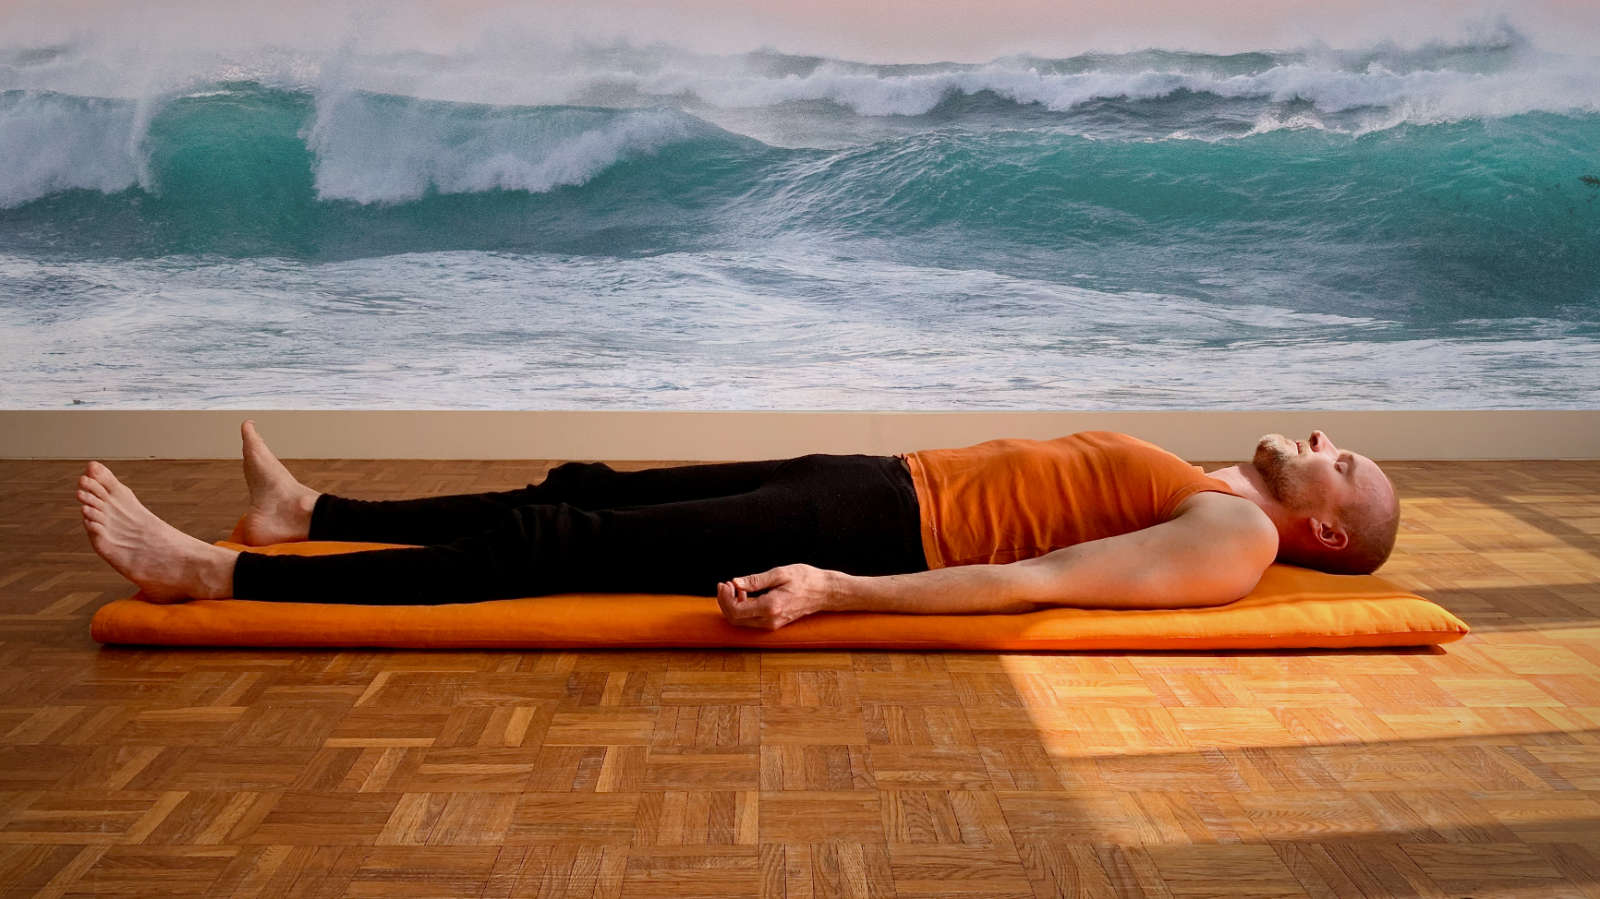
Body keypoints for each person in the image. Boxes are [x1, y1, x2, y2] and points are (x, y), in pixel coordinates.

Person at [77, 420, 1398, 630]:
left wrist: (836, 586)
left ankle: (216, 573)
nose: (1327, 443)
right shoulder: (1223, 485)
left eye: (1346, 466)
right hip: (881, 473)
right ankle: (310, 511)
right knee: (576, 486)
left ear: (1327, 535)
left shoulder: (1237, 539)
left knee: (559, 553)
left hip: (885, 526)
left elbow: (1039, 578)